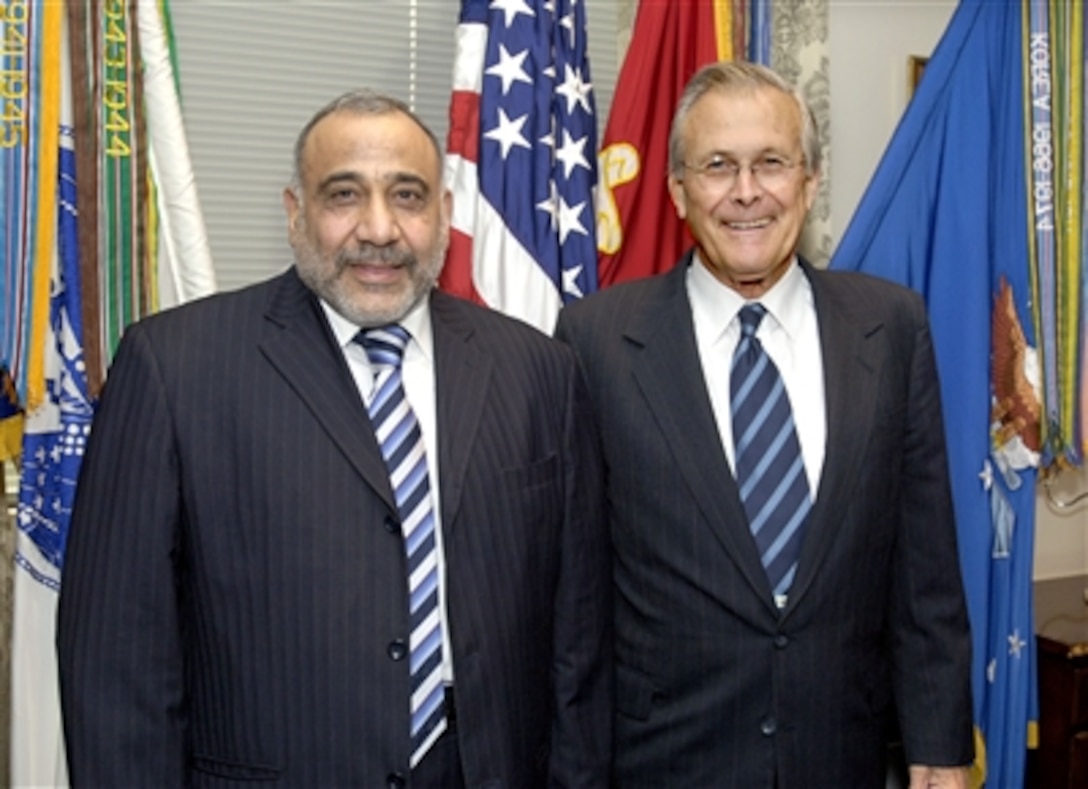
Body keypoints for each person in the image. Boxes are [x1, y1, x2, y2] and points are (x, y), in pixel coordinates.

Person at [57, 89, 611, 788]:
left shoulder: (539, 371)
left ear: (443, 213)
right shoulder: (174, 367)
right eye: (344, 195)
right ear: (296, 213)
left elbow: (578, 650)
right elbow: (115, 665)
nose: (378, 229)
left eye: (407, 196)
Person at [555, 61, 973, 788]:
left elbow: (925, 572)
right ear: (679, 189)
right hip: (665, 764)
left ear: (809, 182)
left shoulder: (891, 326)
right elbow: (576, 602)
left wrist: (938, 745)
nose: (746, 192)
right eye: (718, 166)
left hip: (843, 757)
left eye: (771, 163)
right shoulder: (595, 339)